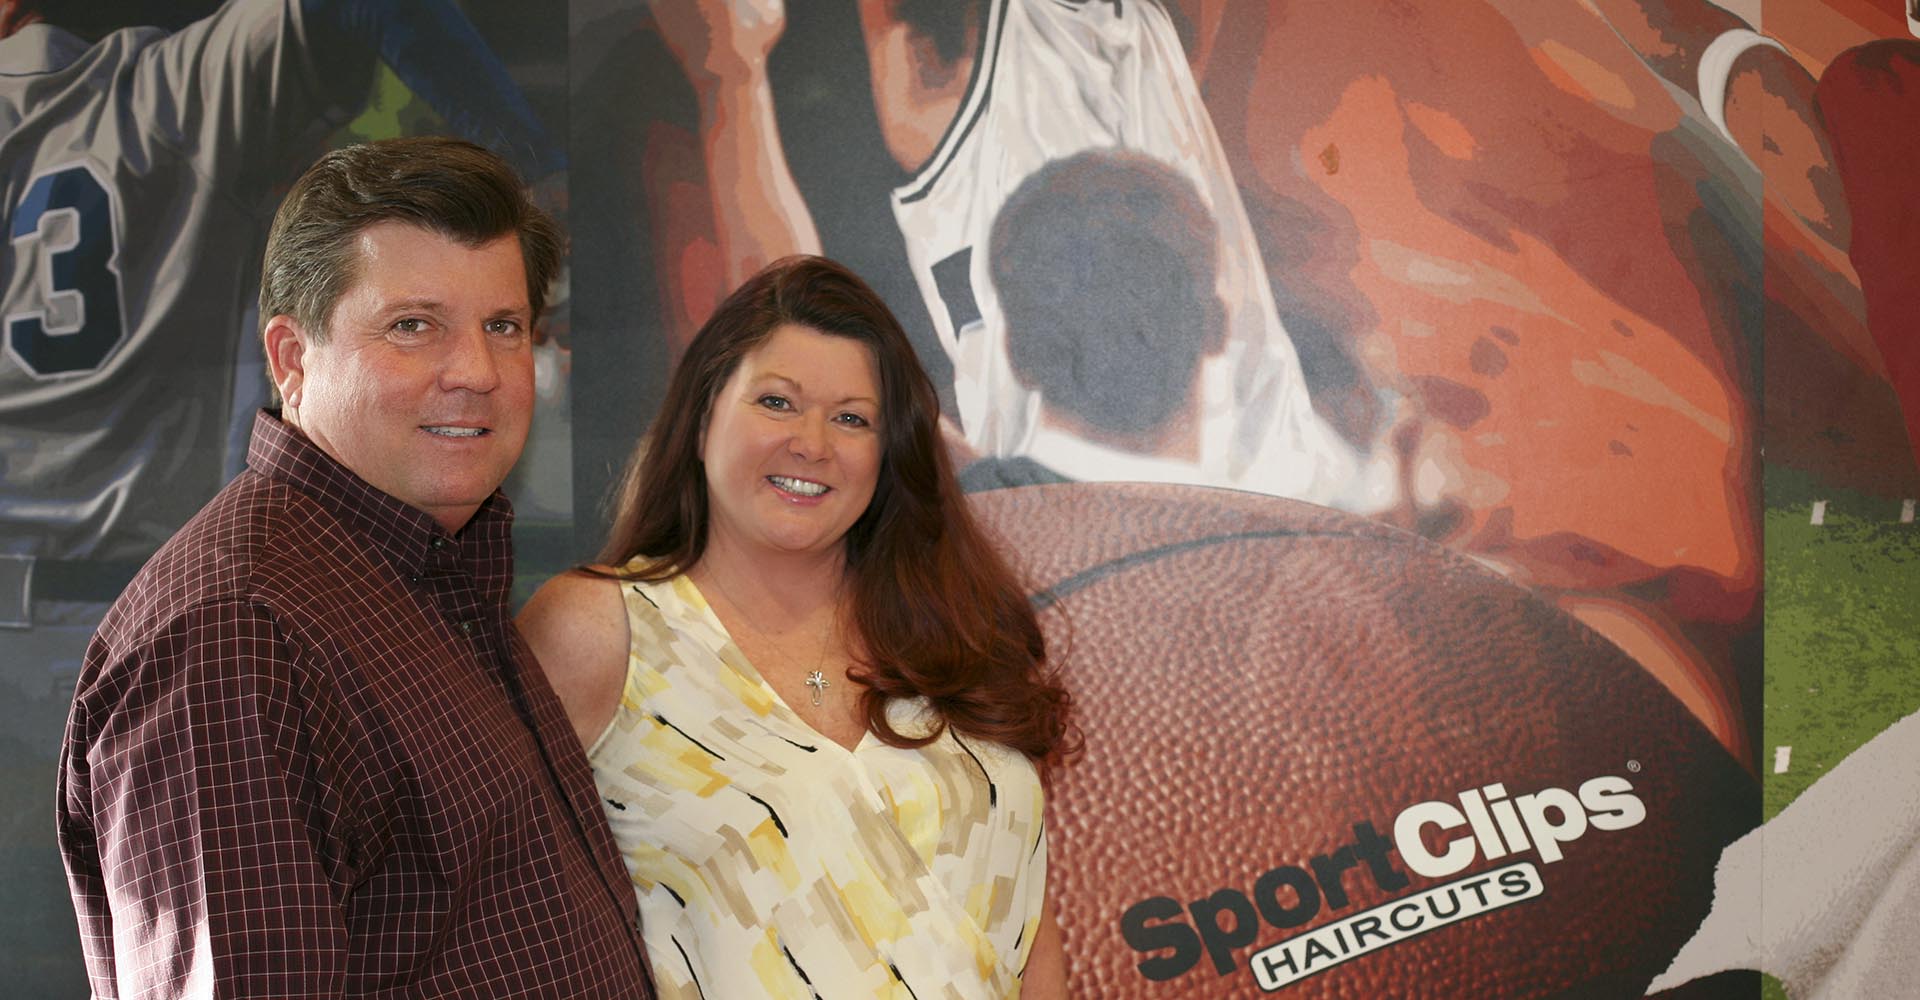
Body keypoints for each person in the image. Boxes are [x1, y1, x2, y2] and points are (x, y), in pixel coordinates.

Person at [55, 136, 653, 998]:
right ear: (293, 359)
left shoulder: (414, 571)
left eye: (504, 327)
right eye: (414, 326)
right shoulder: (238, 633)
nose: (477, 372)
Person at [518, 255, 1073, 998]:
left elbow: (1029, 938)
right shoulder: (598, 629)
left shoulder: (954, 637)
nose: (813, 442)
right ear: (704, 411)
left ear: (889, 451)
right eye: (777, 403)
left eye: (852, 417)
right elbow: (495, 922)